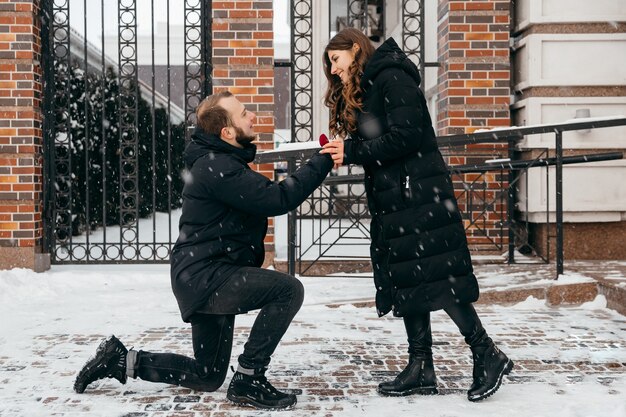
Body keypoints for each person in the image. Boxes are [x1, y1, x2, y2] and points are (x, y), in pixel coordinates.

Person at [74, 91, 336, 410]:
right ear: (227, 132)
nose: (251, 116)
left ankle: (121, 360)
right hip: (208, 277)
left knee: (207, 375)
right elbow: (277, 199)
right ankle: (249, 378)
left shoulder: (220, 162)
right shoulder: (220, 167)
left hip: (204, 273)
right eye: (243, 114)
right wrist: (323, 160)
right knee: (288, 290)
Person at [321, 28, 513, 402]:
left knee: (439, 277)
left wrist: (354, 152)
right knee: (410, 276)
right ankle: (421, 366)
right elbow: (384, 137)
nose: (333, 69)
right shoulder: (373, 84)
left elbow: (407, 136)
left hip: (418, 193)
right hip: (399, 196)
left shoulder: (391, 76)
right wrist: (349, 146)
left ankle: (486, 351)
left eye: (335, 59)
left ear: (356, 49)